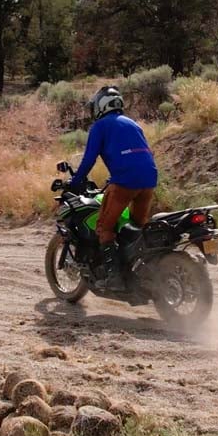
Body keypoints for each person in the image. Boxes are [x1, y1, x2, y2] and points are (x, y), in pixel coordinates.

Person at [69, 85, 158, 290]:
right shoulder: (134, 124)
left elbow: (89, 159)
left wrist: (75, 183)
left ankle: (114, 278)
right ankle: (138, 271)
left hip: (125, 181)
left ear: (100, 106)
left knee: (105, 227)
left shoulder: (100, 126)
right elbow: (141, 154)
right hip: (149, 179)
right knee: (136, 226)